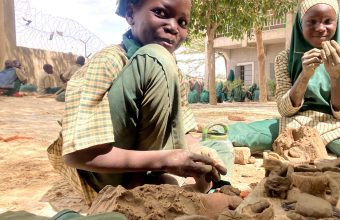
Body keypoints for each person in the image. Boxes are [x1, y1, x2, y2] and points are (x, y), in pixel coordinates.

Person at [48, 0, 237, 207]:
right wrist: (165, 160)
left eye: (182, 22)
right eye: (160, 12)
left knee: (221, 148)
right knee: (156, 57)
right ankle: (151, 189)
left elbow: (180, 129)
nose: (173, 27)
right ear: (130, 14)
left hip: (152, 168)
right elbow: (76, 156)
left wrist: (199, 148)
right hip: (107, 177)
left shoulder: (173, 70)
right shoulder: (109, 61)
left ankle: (165, 186)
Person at [228, 0, 340, 180]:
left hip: (338, 127)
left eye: (328, 21)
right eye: (312, 22)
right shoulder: (285, 59)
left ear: (336, 23)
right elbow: (284, 109)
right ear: (300, 24)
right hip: (293, 125)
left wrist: (337, 76)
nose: (320, 28)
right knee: (231, 134)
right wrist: (304, 76)